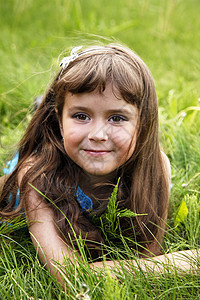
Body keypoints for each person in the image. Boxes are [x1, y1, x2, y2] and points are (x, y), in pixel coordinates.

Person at [0, 43, 171, 283]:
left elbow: (148, 255)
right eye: (81, 115)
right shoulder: (37, 175)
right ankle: (45, 107)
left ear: (143, 124)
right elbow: (69, 276)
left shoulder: (157, 166)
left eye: (117, 117)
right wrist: (180, 264)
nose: (98, 134)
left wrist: (153, 265)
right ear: (59, 122)